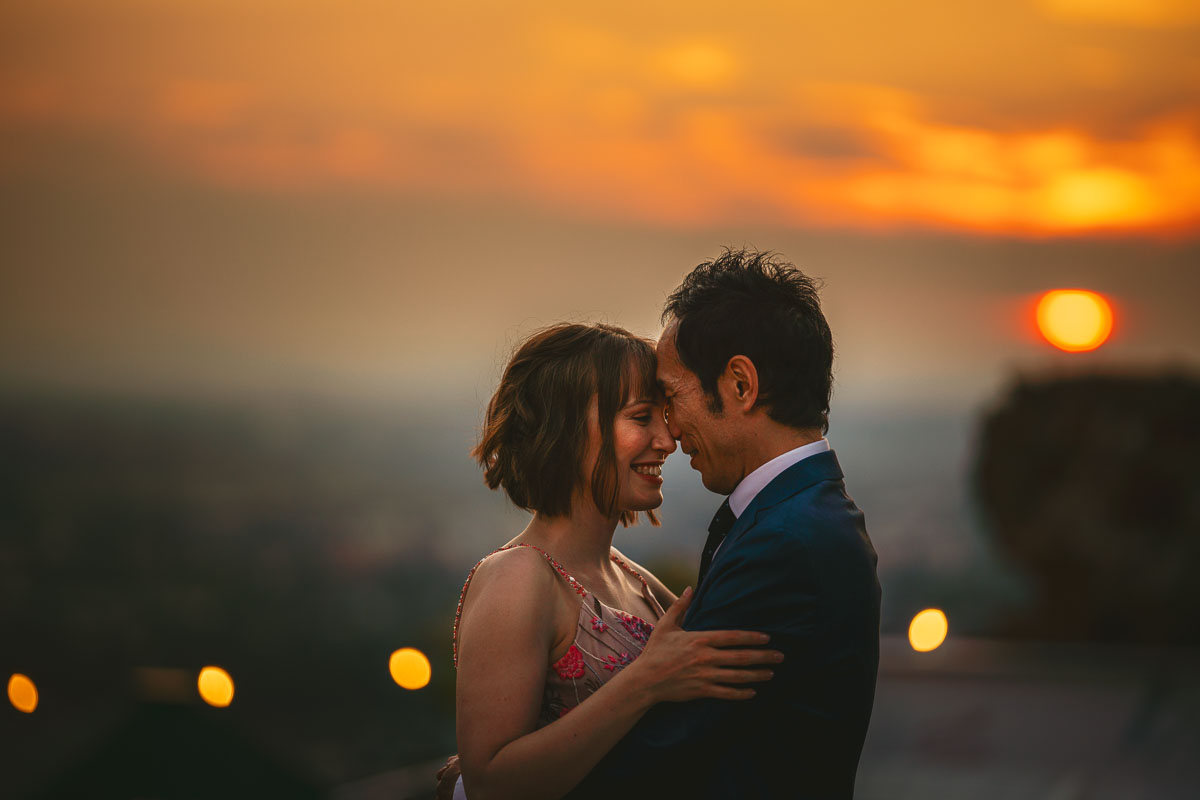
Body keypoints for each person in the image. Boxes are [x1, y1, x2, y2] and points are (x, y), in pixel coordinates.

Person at [564, 249, 882, 798]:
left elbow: (669, 751)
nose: (667, 428)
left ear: (740, 385)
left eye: (670, 396)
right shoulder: (805, 514)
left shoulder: (785, 542)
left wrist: (488, 788)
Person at [444, 322, 783, 800]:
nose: (667, 440)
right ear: (562, 431)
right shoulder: (517, 579)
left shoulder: (633, 577)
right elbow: (490, 785)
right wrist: (645, 683)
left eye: (665, 417)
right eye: (642, 417)